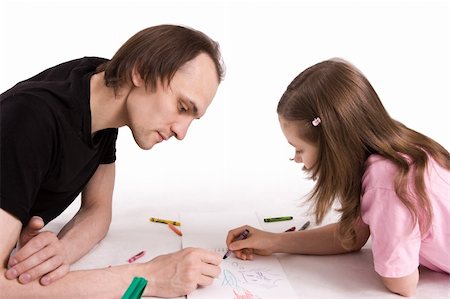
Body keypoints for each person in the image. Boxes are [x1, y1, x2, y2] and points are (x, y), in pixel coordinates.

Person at [0, 24, 224, 297]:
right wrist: (146, 277)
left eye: (192, 117)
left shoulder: (98, 90)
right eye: (181, 107)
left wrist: (62, 252)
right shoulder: (30, 119)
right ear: (141, 71)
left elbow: (98, 210)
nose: (182, 132)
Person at [226, 58, 449, 297]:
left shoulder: (387, 181)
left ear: (334, 145)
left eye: (299, 149)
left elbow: (402, 283)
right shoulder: (394, 148)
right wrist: (273, 241)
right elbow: (352, 237)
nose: (297, 159)